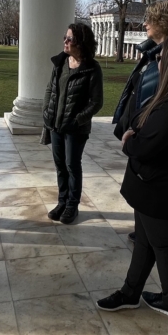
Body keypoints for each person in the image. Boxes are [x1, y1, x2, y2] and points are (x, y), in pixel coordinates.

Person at [96, 33, 168, 319]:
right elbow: (143, 128)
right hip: (158, 188)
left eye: (161, 57)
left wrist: (128, 138)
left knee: (162, 246)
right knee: (148, 244)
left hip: (161, 191)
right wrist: (136, 130)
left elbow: (141, 146)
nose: (157, 61)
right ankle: (130, 292)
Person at [111, 0, 168, 243]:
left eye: (149, 20)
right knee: (139, 181)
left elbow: (160, 100)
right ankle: (142, 227)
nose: (144, 25)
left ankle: (150, 231)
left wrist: (139, 131)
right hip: (140, 130)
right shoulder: (154, 52)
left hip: (150, 133)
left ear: (161, 22)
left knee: (148, 179)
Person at [41, 22, 103, 224]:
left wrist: (77, 120)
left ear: (81, 43)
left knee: (72, 165)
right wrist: (47, 112)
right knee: (60, 165)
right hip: (56, 125)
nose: (65, 41)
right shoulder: (61, 63)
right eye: (65, 37)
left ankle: (72, 205)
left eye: (70, 39)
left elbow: (96, 102)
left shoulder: (91, 69)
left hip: (75, 129)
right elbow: (50, 89)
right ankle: (62, 201)